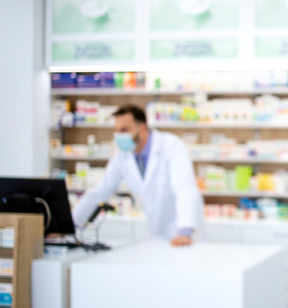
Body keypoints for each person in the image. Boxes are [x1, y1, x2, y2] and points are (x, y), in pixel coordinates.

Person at [72, 104, 203, 246]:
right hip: (156, 233)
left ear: (142, 128)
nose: (119, 136)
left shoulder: (171, 146)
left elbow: (185, 188)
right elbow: (101, 190)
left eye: (124, 130)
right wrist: (71, 224)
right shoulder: (122, 155)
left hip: (183, 232)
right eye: (116, 131)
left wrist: (185, 231)